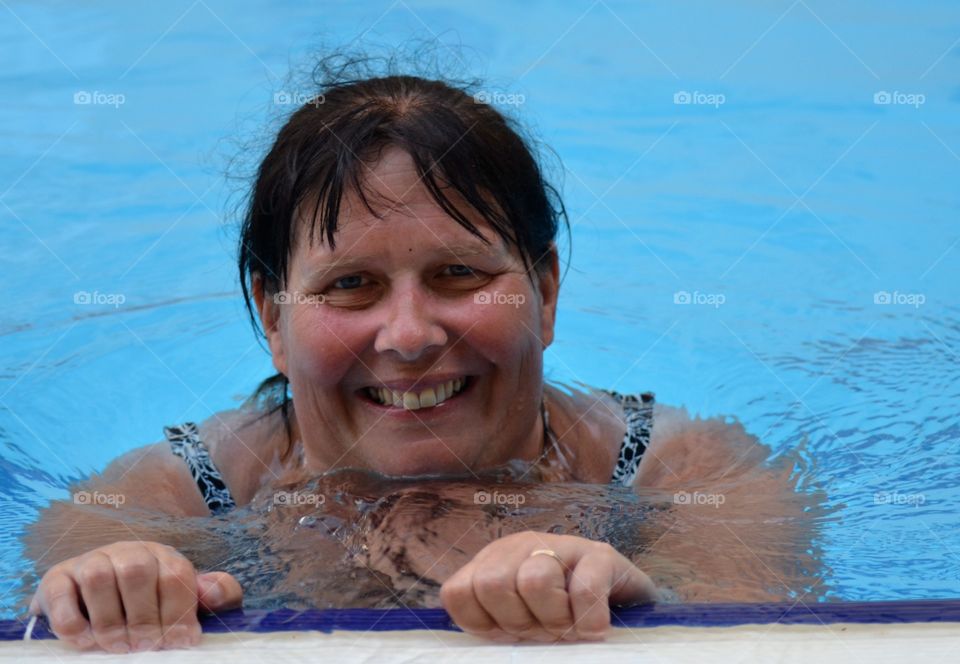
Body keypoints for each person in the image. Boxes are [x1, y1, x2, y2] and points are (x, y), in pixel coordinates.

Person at [25, 66, 808, 653]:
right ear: (273, 316)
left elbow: (763, 634)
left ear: (545, 289)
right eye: (351, 285)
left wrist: (652, 601)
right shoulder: (166, 498)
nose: (408, 336)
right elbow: (41, 619)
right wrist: (112, 590)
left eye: (458, 275)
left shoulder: (685, 476)